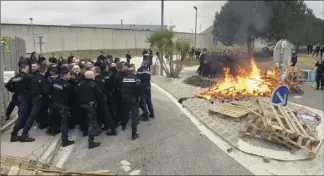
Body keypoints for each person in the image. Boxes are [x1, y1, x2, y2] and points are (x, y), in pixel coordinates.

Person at [20, 63, 51, 142]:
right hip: (39, 99)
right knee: (32, 116)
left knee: (37, 114)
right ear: (45, 70)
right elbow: (46, 91)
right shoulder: (42, 79)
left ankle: (43, 124)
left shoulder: (33, 77)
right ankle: (24, 134)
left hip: (32, 98)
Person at [5, 64, 32, 142]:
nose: (28, 69)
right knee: (22, 115)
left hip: (17, 96)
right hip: (23, 97)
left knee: (22, 114)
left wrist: (14, 90)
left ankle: (20, 133)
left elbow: (7, 85)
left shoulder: (17, 77)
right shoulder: (26, 77)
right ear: (23, 69)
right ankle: (14, 134)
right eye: (27, 68)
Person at [75, 71, 102, 149]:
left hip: (81, 105)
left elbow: (76, 93)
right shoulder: (93, 84)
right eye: (93, 75)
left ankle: (85, 132)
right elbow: (99, 95)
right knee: (92, 122)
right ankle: (91, 141)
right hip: (90, 106)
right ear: (91, 76)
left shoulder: (80, 84)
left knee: (85, 119)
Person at [50, 68, 75, 147]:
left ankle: (53, 131)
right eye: (68, 75)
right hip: (63, 106)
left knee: (56, 120)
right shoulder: (67, 85)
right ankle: (64, 140)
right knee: (64, 123)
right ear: (64, 75)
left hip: (54, 104)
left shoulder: (55, 82)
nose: (70, 76)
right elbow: (71, 96)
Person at [120, 67, 141, 140]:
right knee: (134, 115)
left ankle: (123, 126)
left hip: (125, 99)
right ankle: (134, 133)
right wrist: (138, 96)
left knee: (125, 113)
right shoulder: (136, 78)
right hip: (133, 99)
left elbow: (121, 87)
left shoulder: (124, 78)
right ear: (134, 72)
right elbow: (139, 88)